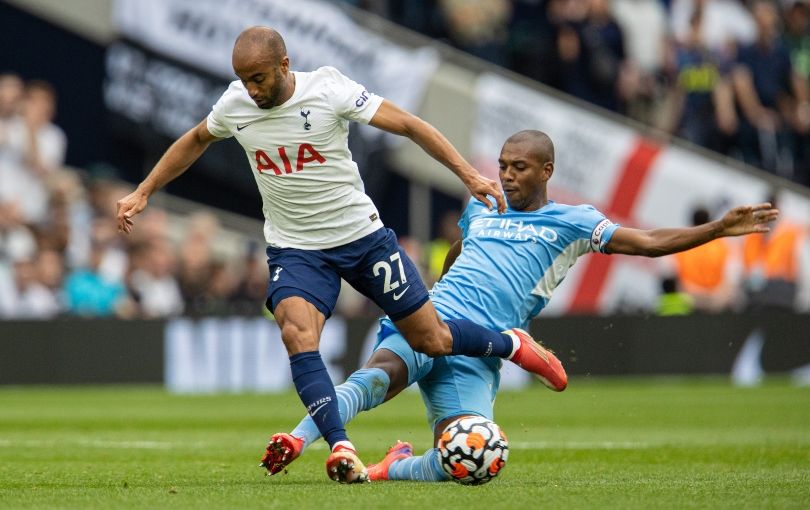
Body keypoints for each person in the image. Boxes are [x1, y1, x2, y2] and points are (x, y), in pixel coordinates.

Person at [114, 27, 565, 483]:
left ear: (284, 66)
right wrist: (144, 191)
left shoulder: (328, 89)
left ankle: (511, 344)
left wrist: (470, 176)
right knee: (296, 333)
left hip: (362, 239)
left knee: (434, 340)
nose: (251, 90)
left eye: (259, 78)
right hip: (297, 248)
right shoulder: (235, 105)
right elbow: (194, 139)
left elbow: (410, 125)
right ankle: (341, 446)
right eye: (244, 80)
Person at [260, 129, 779, 482]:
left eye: (519, 168)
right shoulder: (483, 203)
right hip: (433, 322)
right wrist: (427, 301)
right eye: (503, 166)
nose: (506, 176)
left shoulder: (573, 222)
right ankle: (307, 440)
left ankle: (389, 467)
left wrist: (717, 230)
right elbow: (461, 252)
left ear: (546, 170)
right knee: (375, 379)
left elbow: (645, 241)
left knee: (470, 459)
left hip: (477, 354)